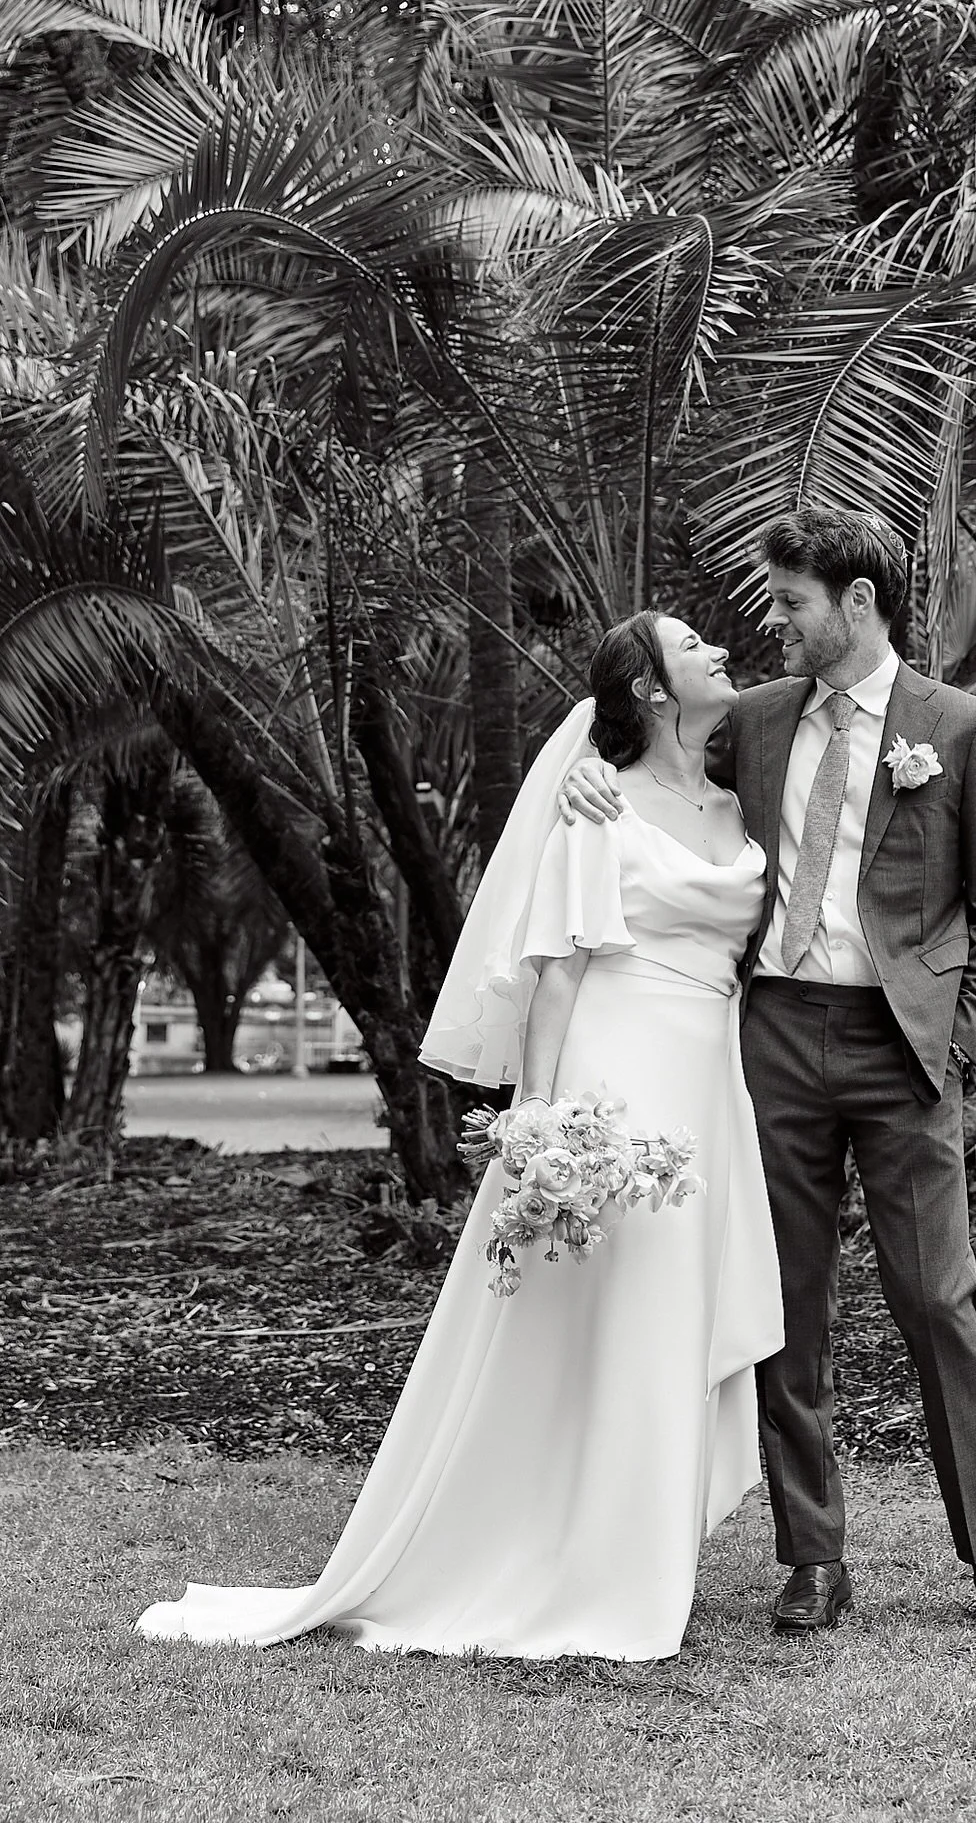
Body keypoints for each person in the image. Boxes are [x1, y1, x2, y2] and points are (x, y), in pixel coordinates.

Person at [136, 613, 783, 1661]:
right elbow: (562, 969)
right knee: (610, 1313)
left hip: (710, 1079)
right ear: (654, 692)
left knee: (674, 1311)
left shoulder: (740, 789)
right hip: (617, 1082)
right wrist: (545, 1123)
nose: (719, 647)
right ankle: (588, 1569)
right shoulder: (596, 801)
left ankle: (636, 1549)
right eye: (692, 644)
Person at [561, 507, 976, 1639]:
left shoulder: (961, 728)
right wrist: (585, 777)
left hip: (903, 1049)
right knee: (788, 1308)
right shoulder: (760, 722)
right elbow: (651, 756)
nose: (771, 622)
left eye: (791, 603)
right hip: (769, 1039)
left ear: (858, 605)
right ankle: (811, 1557)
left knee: (939, 1301)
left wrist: (956, 1046)